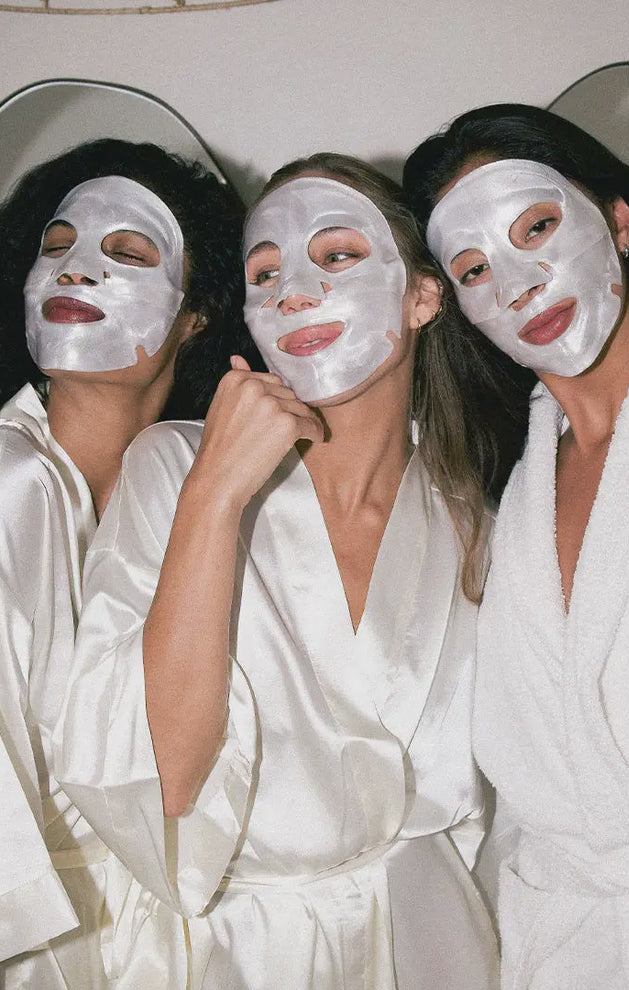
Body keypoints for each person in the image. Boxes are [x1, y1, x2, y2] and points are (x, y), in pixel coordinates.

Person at [56, 153, 500, 989]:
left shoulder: (470, 521)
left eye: (336, 255)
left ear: (422, 297)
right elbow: (166, 778)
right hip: (237, 955)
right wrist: (216, 493)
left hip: (430, 939)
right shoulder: (174, 466)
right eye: (266, 273)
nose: (294, 290)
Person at [403, 103, 629, 989]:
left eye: (538, 228)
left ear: (620, 223)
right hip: (559, 940)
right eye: (475, 269)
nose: (517, 283)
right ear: (462, 311)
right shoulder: (509, 487)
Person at [0, 137, 250, 986]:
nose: (76, 271)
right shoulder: (12, 483)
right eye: (57, 246)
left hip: (184, 941)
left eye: (126, 253)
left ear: (196, 313)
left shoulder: (195, 480)